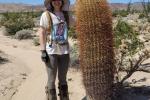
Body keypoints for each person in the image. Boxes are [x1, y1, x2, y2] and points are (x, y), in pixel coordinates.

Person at [38, 0, 70, 100]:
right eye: (54, 0)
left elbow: (78, 23)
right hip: (51, 52)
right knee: (51, 79)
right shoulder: (46, 15)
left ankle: (64, 98)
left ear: (62, 2)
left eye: (59, 0)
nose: (57, 2)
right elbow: (42, 32)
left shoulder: (66, 15)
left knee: (63, 79)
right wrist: (43, 51)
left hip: (65, 51)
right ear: (51, 2)